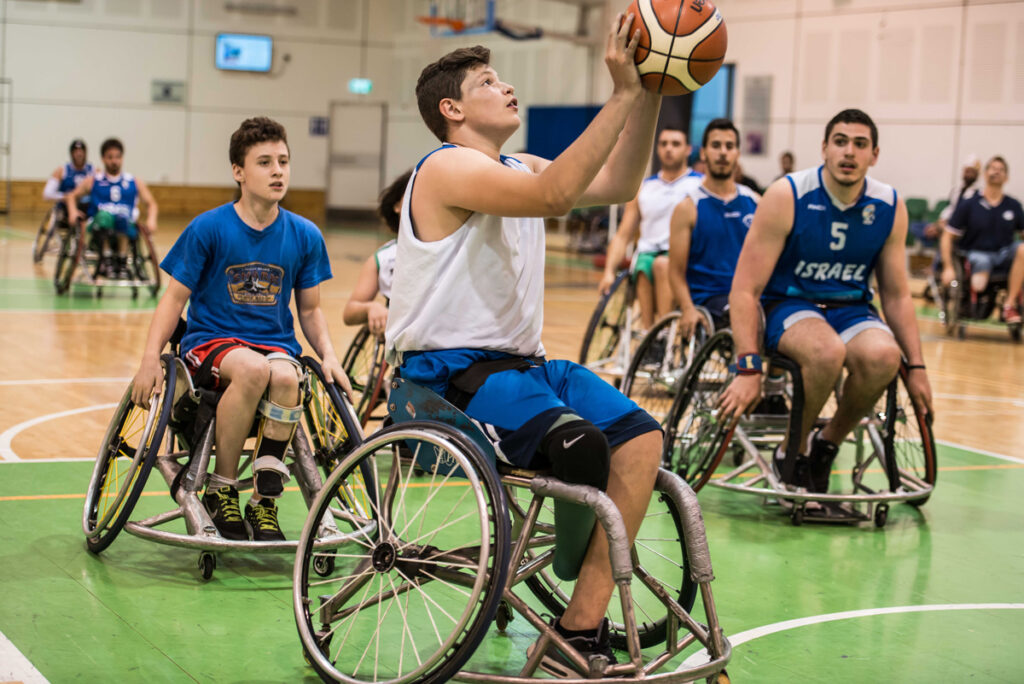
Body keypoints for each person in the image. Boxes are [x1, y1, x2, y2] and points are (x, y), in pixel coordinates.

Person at [385, 18, 663, 677]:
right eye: (488, 82)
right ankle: (578, 557)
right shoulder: (446, 167)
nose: (507, 87)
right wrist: (619, 94)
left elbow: (619, 186)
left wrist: (652, 88)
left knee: (642, 437)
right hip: (442, 379)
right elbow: (556, 196)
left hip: (521, 370)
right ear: (451, 110)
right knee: (580, 445)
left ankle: (579, 628)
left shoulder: (518, 164)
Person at [129, 117, 350, 542]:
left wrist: (330, 356)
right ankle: (222, 487)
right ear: (239, 172)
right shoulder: (209, 228)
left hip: (274, 347)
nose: (278, 171)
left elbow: (310, 310)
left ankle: (263, 501)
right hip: (211, 343)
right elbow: (173, 300)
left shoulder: (304, 234)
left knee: (287, 376)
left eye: (283, 161)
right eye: (264, 162)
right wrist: (147, 359)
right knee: (253, 370)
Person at [721, 108, 933, 500]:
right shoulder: (787, 195)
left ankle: (826, 444)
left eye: (859, 144)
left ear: (875, 155)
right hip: (789, 303)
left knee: (886, 357)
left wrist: (916, 366)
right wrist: (747, 365)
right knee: (826, 352)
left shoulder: (889, 205)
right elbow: (745, 289)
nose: (849, 152)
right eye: (840, 142)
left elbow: (897, 294)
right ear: (823, 149)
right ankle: (793, 449)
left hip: (850, 308)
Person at [598, 125, 703, 332]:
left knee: (662, 265)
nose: (669, 149)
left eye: (675, 144)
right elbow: (623, 235)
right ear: (657, 148)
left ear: (688, 149)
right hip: (647, 255)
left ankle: (663, 333)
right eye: (664, 144)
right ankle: (650, 333)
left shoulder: (700, 185)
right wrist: (609, 271)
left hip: (684, 257)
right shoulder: (644, 188)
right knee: (644, 265)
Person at [667, 118, 759, 340]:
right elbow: (675, 272)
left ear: (737, 153)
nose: (723, 152)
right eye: (716, 146)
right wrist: (688, 308)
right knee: (745, 317)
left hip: (749, 296)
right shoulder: (687, 208)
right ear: (704, 153)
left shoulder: (755, 202)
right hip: (709, 300)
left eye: (729, 146)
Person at [940, 155, 1024, 324]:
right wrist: (948, 267)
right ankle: (977, 302)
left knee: (1022, 249)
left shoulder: (1013, 205)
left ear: (1006, 177)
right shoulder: (969, 204)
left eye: (1001, 170)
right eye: (993, 168)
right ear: (985, 174)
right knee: (982, 263)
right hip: (977, 254)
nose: (996, 172)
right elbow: (948, 235)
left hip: (1004, 255)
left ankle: (1009, 304)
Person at [66, 138, 158, 279]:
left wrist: (152, 220)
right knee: (105, 216)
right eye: (110, 157)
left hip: (125, 228)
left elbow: (151, 203)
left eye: (117, 157)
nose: (114, 161)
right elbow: (71, 196)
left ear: (122, 158)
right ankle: (106, 258)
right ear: (103, 159)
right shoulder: (93, 180)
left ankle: (121, 261)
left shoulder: (134, 181)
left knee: (123, 218)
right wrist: (72, 212)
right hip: (99, 229)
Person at [342, 169, 412, 337]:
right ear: (396, 205)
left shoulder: (450, 251)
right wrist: (371, 307)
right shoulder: (384, 257)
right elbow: (349, 313)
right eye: (411, 194)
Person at [916, 154, 981, 246]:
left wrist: (944, 227)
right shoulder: (956, 190)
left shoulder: (978, 194)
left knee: (944, 235)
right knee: (916, 226)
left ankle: (935, 237)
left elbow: (968, 219)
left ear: (977, 175)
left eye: (971, 172)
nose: (968, 174)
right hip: (947, 223)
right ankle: (934, 235)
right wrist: (939, 222)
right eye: (967, 171)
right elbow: (951, 208)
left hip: (960, 229)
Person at [42, 139, 92, 225]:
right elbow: (47, 194)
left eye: (81, 151)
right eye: (76, 151)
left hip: (86, 206)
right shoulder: (62, 170)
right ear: (72, 154)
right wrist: (64, 197)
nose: (79, 154)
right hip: (65, 207)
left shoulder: (93, 171)